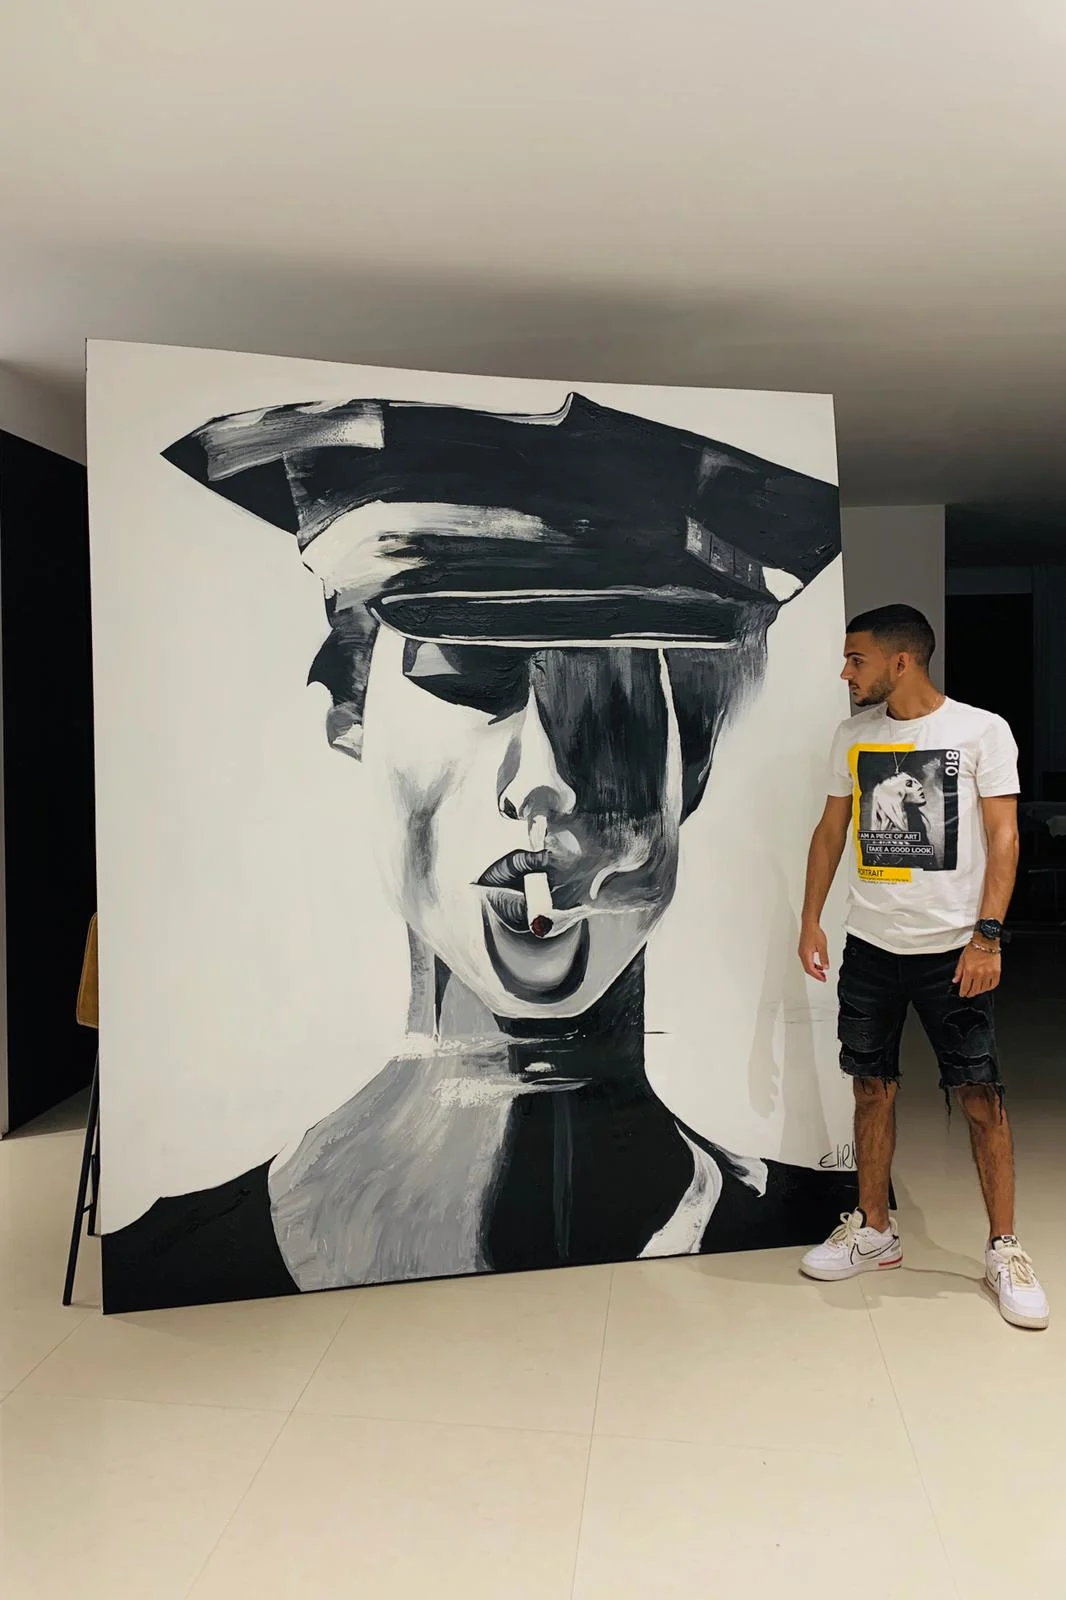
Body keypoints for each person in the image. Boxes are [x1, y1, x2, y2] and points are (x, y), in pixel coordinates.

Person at [102, 390, 861, 1311]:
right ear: (353, 716)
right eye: (465, 674)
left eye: (610, 699)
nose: (544, 779)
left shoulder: (809, 1214)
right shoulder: (176, 1264)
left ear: (687, 766)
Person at [797, 603, 1049, 1330]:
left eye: (857, 660)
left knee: (979, 1094)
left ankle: (1005, 1249)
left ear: (901, 661)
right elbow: (831, 831)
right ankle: (875, 1228)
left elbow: (1004, 839)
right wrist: (811, 919)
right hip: (872, 946)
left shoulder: (980, 731)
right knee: (870, 1087)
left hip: (953, 949)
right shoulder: (853, 736)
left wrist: (987, 937)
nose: (846, 673)